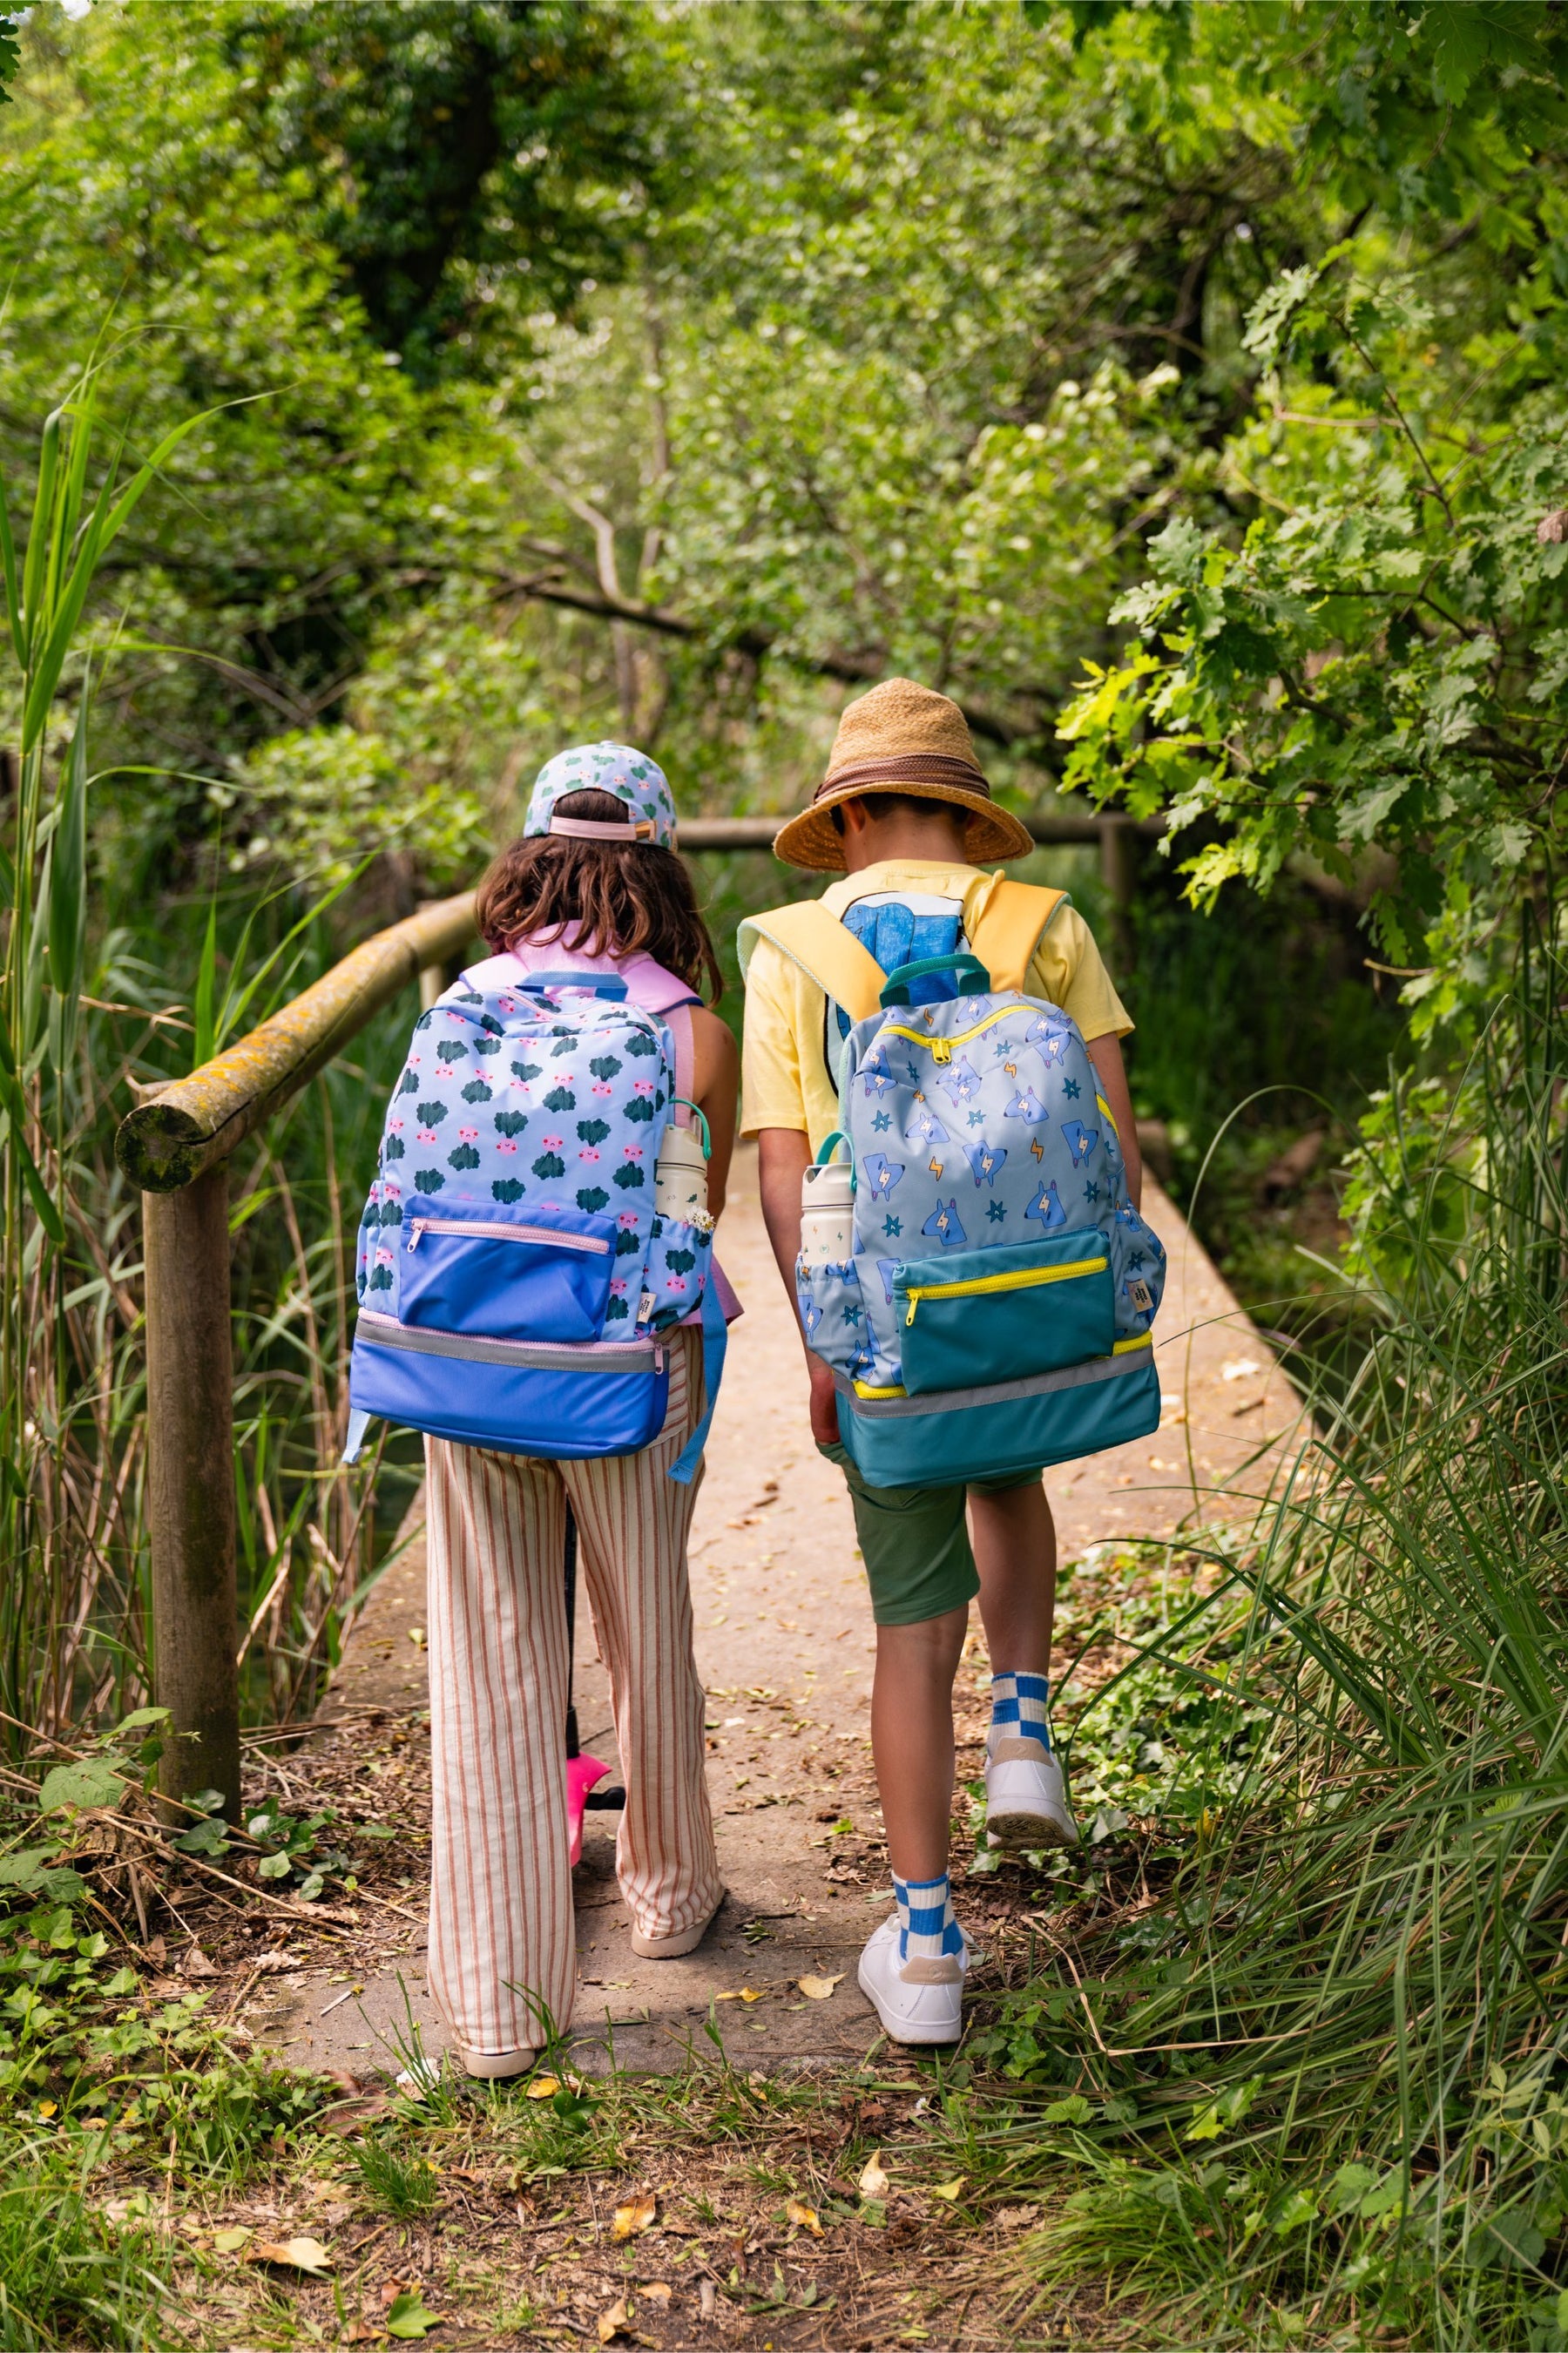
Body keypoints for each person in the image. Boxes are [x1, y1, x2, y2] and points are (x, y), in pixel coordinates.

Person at [740, 678, 1139, 2045]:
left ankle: (923, 1950)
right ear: (969, 817)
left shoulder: (792, 949)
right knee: (1010, 1480)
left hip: (891, 1325)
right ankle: (1024, 1729)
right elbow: (1110, 1141)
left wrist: (822, 1342)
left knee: (911, 1633)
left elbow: (786, 1177)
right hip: (1020, 1298)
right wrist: (1094, 1300)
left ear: (844, 817)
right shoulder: (1046, 921)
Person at [421, 743, 739, 2077]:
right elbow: (696, 1196)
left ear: (527, 866)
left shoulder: (464, 1002)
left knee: (489, 1653)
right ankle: (667, 1898)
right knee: (642, 1614)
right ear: (657, 871)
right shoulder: (689, 1029)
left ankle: (496, 2012)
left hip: (464, 1359)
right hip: (624, 1363)